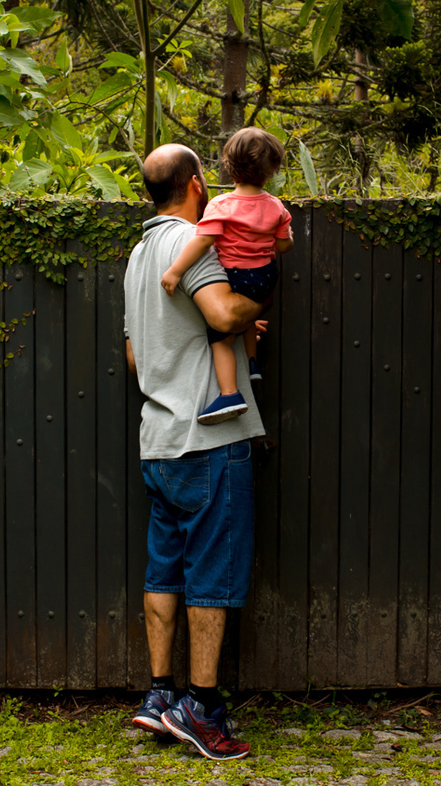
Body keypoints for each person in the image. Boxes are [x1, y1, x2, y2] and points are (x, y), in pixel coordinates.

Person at [123, 143, 266, 761]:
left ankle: (159, 697)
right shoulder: (192, 241)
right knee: (212, 574)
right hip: (207, 441)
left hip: (157, 441)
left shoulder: (135, 255)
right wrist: (255, 298)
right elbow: (221, 308)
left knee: (164, 571)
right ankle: (202, 708)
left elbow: (134, 355)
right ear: (197, 184)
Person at [160, 127, 293, 424]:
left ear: (229, 166)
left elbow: (202, 240)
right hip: (266, 276)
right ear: (270, 170)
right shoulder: (276, 207)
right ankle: (252, 360)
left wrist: (175, 270)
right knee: (246, 316)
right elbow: (284, 245)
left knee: (219, 339)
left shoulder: (221, 205)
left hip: (237, 276)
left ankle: (230, 393)